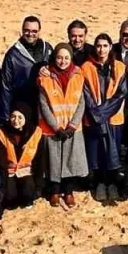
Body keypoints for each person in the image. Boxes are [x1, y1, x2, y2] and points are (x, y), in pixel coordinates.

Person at [37, 43, 89, 207]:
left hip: (72, 128)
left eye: (66, 58)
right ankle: (54, 191)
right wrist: (56, 127)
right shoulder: (45, 78)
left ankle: (68, 191)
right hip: (53, 129)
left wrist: (73, 125)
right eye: (59, 57)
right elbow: (44, 105)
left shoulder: (79, 75)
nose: (63, 61)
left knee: (70, 160)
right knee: (53, 161)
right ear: (54, 58)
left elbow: (81, 103)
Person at [82, 33, 128, 198]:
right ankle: (100, 183)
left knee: (113, 151)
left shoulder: (119, 67)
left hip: (113, 118)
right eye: (98, 46)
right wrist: (97, 115)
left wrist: (103, 113)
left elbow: (121, 93)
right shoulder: (86, 67)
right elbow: (86, 94)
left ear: (110, 47)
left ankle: (112, 183)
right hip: (93, 118)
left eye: (105, 46)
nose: (101, 49)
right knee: (97, 152)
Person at [0, 16, 52, 124]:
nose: (30, 34)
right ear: (22, 30)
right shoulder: (13, 54)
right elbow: (5, 85)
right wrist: (4, 116)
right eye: (27, 30)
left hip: (45, 102)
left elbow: (56, 70)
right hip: (23, 105)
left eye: (34, 31)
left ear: (39, 31)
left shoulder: (47, 49)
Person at [0, 104, 44, 209]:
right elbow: (1, 161)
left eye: (20, 117)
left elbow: (39, 161)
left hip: (26, 171)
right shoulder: (2, 132)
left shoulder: (35, 132)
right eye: (13, 116)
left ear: (26, 118)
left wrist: (39, 185)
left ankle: (26, 196)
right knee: (10, 198)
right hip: (10, 172)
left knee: (28, 192)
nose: (16, 120)